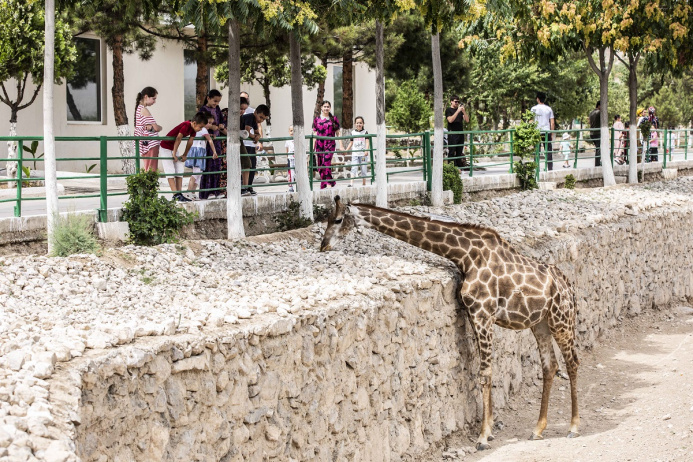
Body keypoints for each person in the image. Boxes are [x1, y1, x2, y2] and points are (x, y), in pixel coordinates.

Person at [159, 112, 208, 202]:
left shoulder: (193, 130)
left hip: (174, 147)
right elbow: (178, 138)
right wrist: (174, 153)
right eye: (200, 127)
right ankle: (175, 194)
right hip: (166, 147)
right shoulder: (186, 125)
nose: (200, 129)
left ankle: (179, 193)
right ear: (194, 123)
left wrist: (185, 154)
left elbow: (190, 142)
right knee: (170, 170)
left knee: (179, 169)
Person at [198, 89, 226, 199]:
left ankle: (216, 191)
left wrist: (221, 125)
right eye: (215, 101)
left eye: (218, 102)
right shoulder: (203, 110)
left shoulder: (217, 109)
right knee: (208, 166)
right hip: (207, 141)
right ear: (208, 98)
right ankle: (207, 192)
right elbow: (200, 124)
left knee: (217, 166)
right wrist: (211, 127)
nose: (216, 104)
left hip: (216, 140)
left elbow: (222, 120)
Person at [186, 114, 218, 200]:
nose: (210, 125)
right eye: (209, 123)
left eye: (211, 123)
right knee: (196, 172)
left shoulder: (201, 130)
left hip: (198, 151)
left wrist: (210, 135)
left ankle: (192, 193)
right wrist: (214, 152)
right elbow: (210, 141)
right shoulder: (203, 129)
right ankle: (188, 192)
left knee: (198, 173)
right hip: (198, 151)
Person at [241, 104, 270, 195]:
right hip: (242, 143)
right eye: (260, 117)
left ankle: (249, 186)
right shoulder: (249, 117)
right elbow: (247, 131)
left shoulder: (255, 121)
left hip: (250, 146)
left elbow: (257, 133)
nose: (261, 120)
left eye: (263, 119)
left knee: (252, 166)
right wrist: (254, 137)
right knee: (246, 165)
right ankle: (243, 187)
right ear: (255, 112)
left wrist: (257, 136)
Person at [312, 100, 340, 189]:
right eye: (324, 106)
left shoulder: (334, 119)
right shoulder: (317, 119)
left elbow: (338, 132)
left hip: (330, 144)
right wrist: (312, 148)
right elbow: (314, 134)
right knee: (320, 166)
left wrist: (341, 145)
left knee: (326, 163)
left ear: (330, 108)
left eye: (328, 106)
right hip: (319, 145)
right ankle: (327, 183)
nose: (326, 108)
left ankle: (328, 184)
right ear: (321, 108)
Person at [134, 87, 162, 171]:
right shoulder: (144, 110)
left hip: (144, 142)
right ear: (146, 97)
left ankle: (148, 183)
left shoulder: (139, 109)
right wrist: (159, 127)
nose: (154, 101)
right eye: (153, 98)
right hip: (150, 143)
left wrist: (153, 128)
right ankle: (150, 184)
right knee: (151, 168)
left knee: (148, 167)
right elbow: (157, 128)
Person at [342, 116, 370, 187]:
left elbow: (367, 142)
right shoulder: (353, 132)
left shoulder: (365, 132)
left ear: (363, 124)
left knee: (363, 168)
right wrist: (346, 150)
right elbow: (351, 143)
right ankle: (351, 183)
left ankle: (364, 183)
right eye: (357, 123)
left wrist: (366, 150)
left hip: (363, 154)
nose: (359, 124)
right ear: (355, 124)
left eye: (360, 123)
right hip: (355, 154)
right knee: (354, 167)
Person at [531, 92, 555, 170]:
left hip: (537, 131)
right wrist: (551, 133)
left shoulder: (534, 109)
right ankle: (550, 168)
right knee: (548, 150)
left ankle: (536, 167)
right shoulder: (549, 109)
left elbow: (531, 121)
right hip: (546, 131)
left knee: (537, 150)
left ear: (537, 99)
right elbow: (552, 122)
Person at [445, 95, 470, 168]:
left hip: (460, 134)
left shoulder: (460, 111)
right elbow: (450, 120)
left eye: (458, 102)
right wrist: (457, 111)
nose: (457, 103)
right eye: (455, 102)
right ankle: (452, 167)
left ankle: (459, 167)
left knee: (459, 152)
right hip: (452, 133)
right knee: (452, 151)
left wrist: (463, 111)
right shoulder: (449, 110)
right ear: (451, 102)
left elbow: (467, 120)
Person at [589, 101, 601, 166]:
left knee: (597, 148)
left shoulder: (591, 112)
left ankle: (598, 162)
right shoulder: (599, 112)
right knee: (598, 148)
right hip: (597, 132)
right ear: (599, 105)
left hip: (592, 133)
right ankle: (597, 163)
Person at [285, 126, 296, 193]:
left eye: (294, 131)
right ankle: (290, 187)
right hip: (290, 158)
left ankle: (298, 186)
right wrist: (287, 157)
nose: (292, 132)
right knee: (291, 173)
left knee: (297, 173)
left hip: (297, 159)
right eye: (291, 131)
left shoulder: (297, 139)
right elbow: (287, 149)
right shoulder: (288, 140)